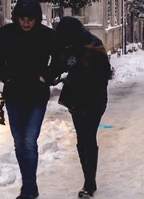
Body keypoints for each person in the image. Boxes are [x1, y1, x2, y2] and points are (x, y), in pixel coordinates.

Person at [0, 0, 54, 199]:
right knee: (19, 142)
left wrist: (47, 76)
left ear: (37, 19)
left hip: (37, 95)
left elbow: (61, 57)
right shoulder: (7, 34)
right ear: (17, 17)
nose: (26, 23)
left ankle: (28, 188)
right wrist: (7, 77)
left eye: (30, 19)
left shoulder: (46, 36)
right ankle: (30, 186)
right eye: (23, 18)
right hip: (15, 94)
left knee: (29, 141)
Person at [51, 17, 111, 199]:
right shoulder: (66, 46)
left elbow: (104, 75)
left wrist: (86, 83)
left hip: (94, 99)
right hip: (76, 99)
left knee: (88, 137)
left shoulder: (94, 46)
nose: (66, 44)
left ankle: (88, 184)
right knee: (81, 139)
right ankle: (89, 178)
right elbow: (57, 65)